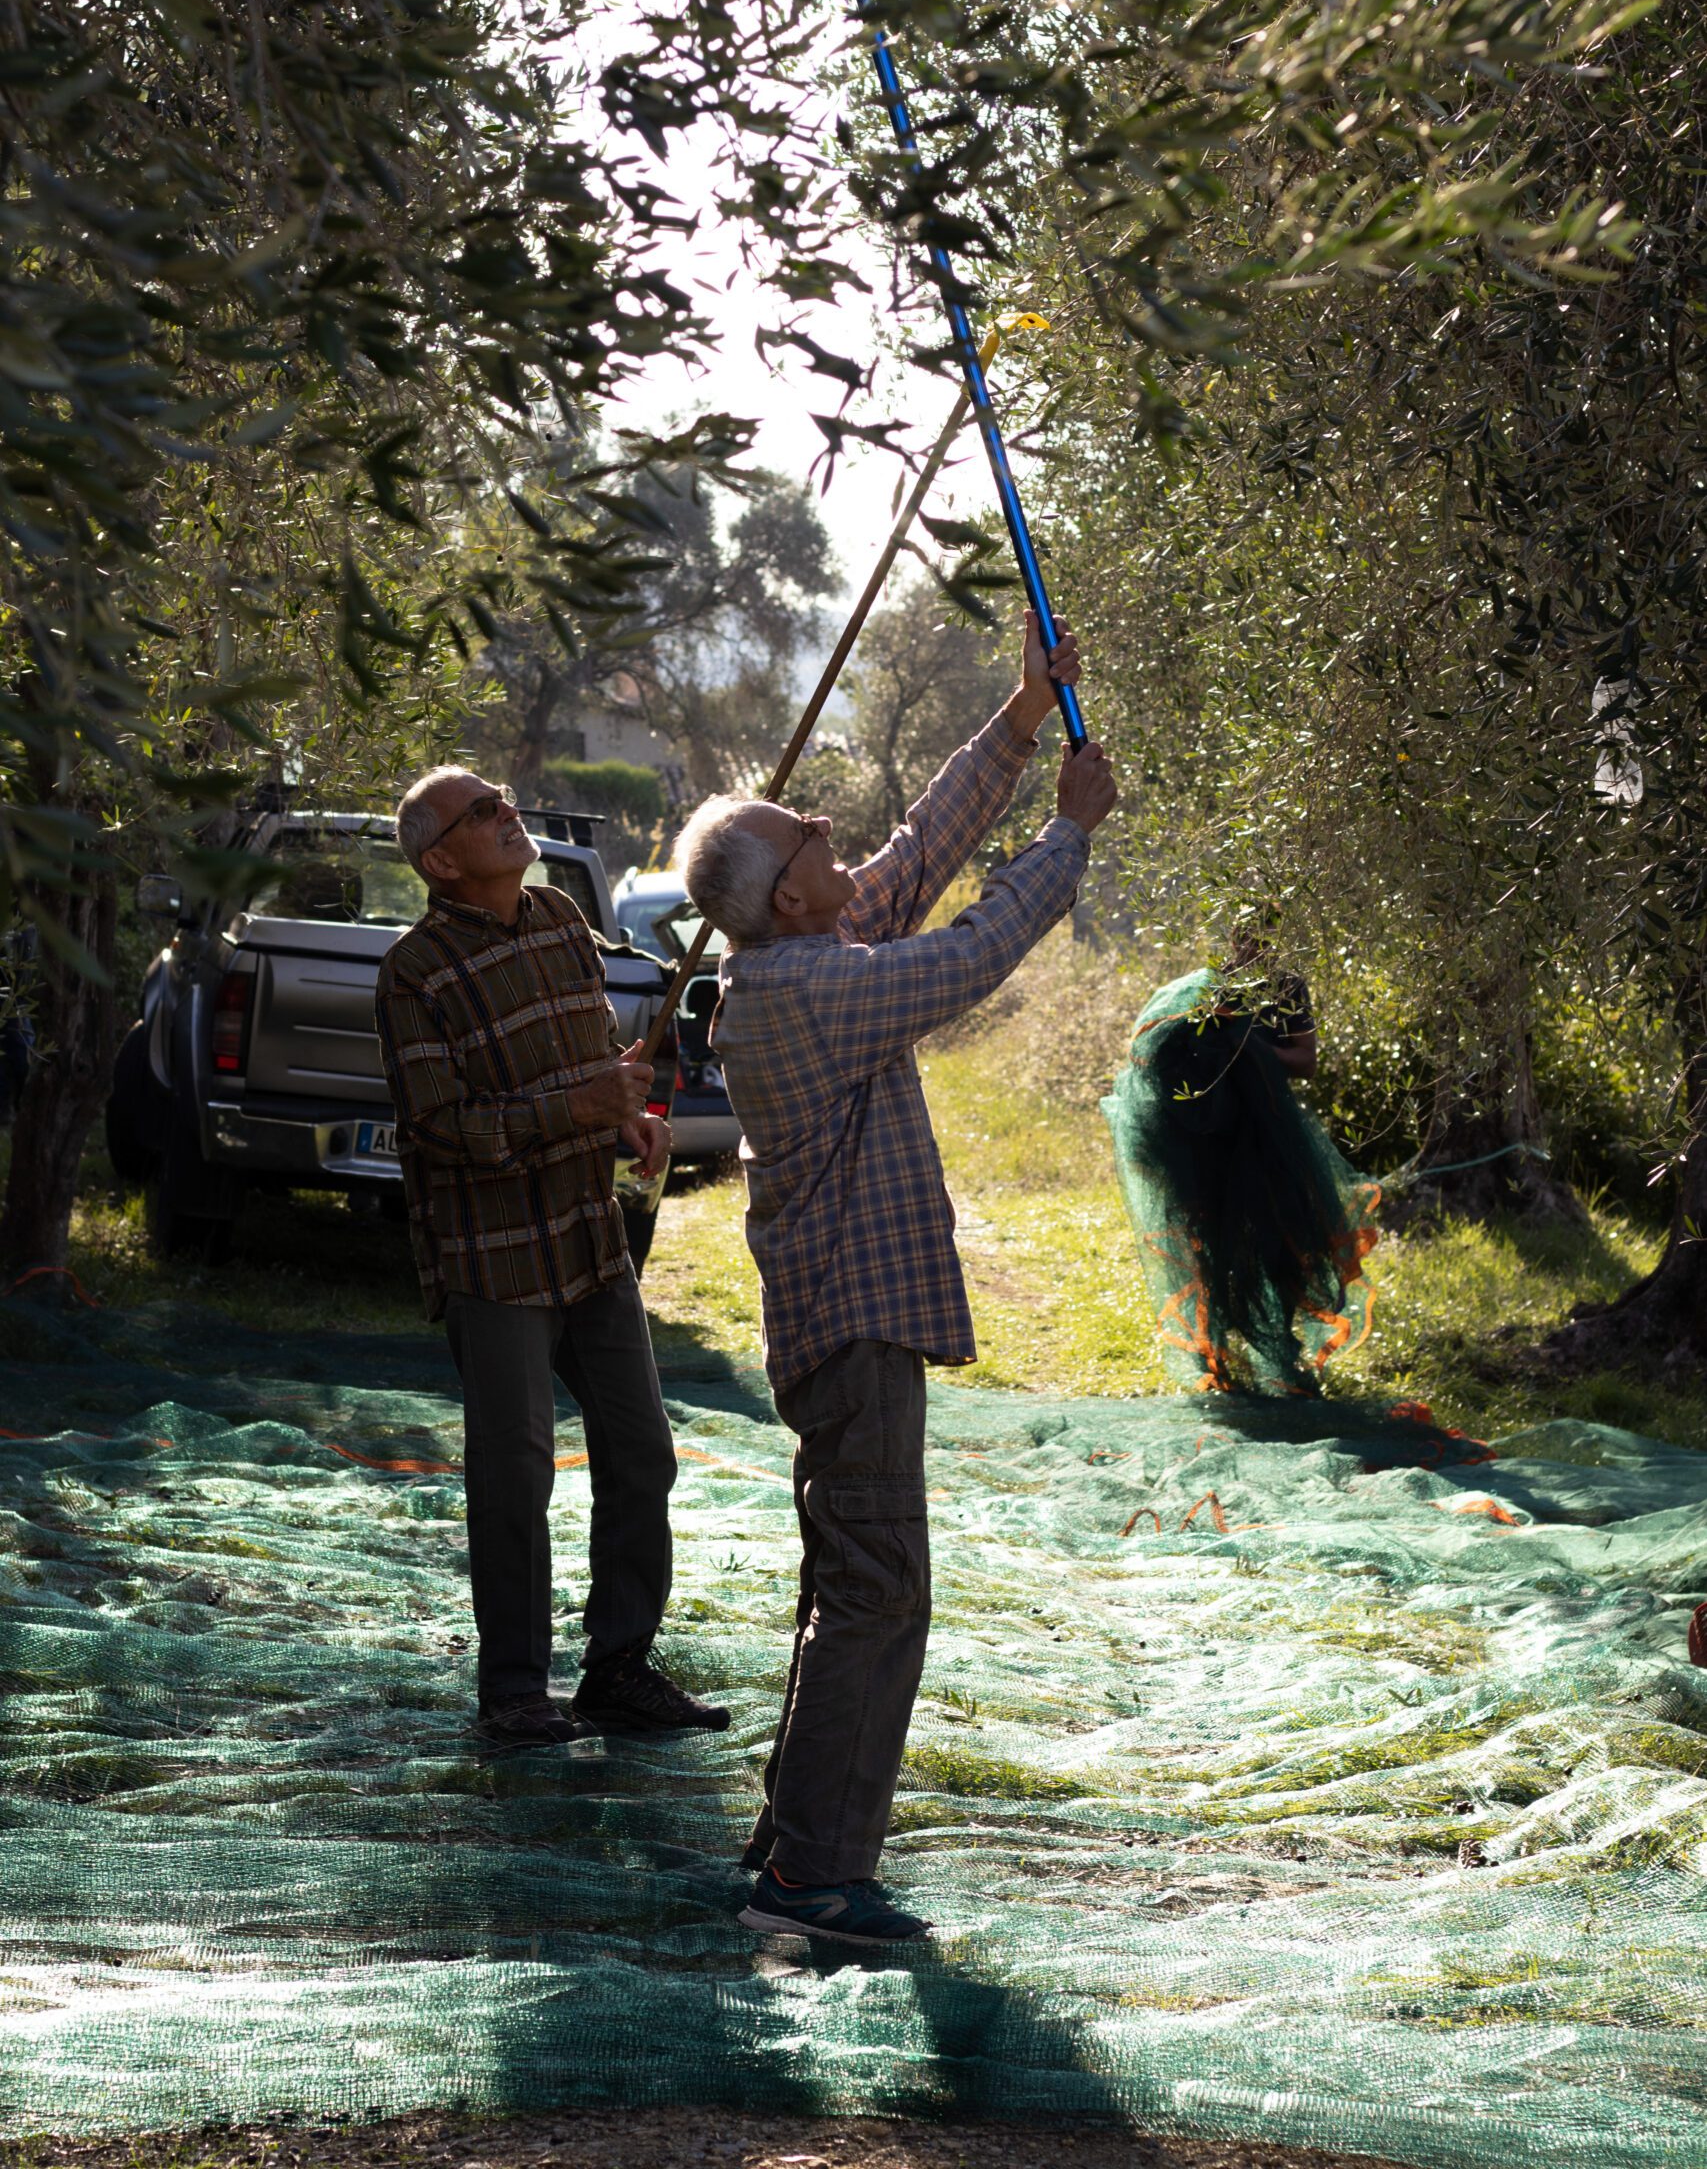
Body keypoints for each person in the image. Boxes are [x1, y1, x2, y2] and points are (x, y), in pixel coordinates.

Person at [674, 615, 1119, 1947]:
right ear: (790, 899)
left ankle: (793, 1853)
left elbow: (919, 854)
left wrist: (1021, 715)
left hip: (842, 1328)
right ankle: (812, 1883)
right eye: (808, 836)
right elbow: (965, 954)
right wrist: (1068, 834)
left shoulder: (801, 949)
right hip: (851, 1333)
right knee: (875, 1591)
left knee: (851, 1585)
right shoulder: (807, 988)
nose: (828, 832)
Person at [375, 766, 729, 1749]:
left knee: (641, 1453)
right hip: (491, 1256)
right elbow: (439, 1127)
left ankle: (617, 1672)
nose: (505, 813)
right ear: (440, 859)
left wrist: (628, 1123)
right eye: (481, 811)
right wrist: (576, 1107)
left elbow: (588, 1066)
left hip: (588, 1236)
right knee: (514, 1473)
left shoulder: (562, 921)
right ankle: (515, 1694)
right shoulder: (413, 971)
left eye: (502, 799)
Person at [1102, 923, 1378, 1396]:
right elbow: (1152, 1052)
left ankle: (1282, 1360)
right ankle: (1215, 1364)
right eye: (1247, 935)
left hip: (1271, 1142)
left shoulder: (1288, 988)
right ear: (1232, 937)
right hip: (1206, 1148)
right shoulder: (1205, 988)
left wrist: (1248, 1045)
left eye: (1267, 935)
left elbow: (1305, 1060)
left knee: (1281, 1247)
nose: (1256, 945)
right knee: (1207, 1249)